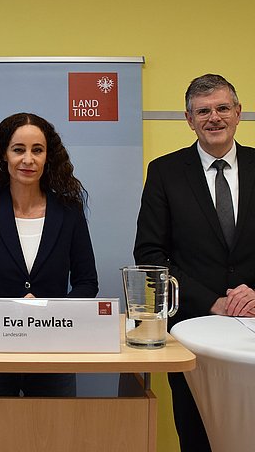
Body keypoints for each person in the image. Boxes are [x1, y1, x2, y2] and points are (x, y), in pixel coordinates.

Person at [134, 74, 255, 452]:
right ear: (189, 119)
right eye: (203, 111)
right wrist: (212, 301)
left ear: (238, 114)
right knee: (197, 432)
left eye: (222, 108)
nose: (213, 117)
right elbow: (150, 255)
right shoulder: (165, 172)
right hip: (192, 330)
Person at [0, 112, 98, 396]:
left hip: (54, 350)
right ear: (3, 155)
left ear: (48, 157)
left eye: (37, 150)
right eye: (19, 150)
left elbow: (87, 283)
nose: (28, 159)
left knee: (54, 438)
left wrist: (51, 310)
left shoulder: (69, 211)